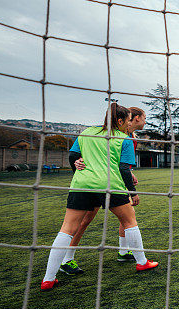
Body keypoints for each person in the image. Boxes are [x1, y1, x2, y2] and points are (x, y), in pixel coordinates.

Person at [40, 104, 158, 291]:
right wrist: (133, 192)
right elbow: (123, 168)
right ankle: (142, 262)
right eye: (127, 120)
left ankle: (48, 278)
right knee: (130, 221)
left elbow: (73, 156)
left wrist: (77, 166)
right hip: (110, 185)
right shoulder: (124, 138)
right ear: (120, 121)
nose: (129, 124)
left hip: (81, 185)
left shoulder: (86, 132)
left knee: (67, 229)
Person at [58, 107, 146, 275]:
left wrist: (130, 173)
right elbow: (93, 155)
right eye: (143, 118)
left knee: (127, 214)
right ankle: (67, 259)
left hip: (112, 181)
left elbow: (114, 159)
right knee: (84, 221)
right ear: (133, 119)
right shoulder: (112, 134)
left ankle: (123, 251)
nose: (145, 121)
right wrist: (77, 162)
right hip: (99, 183)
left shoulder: (130, 137)